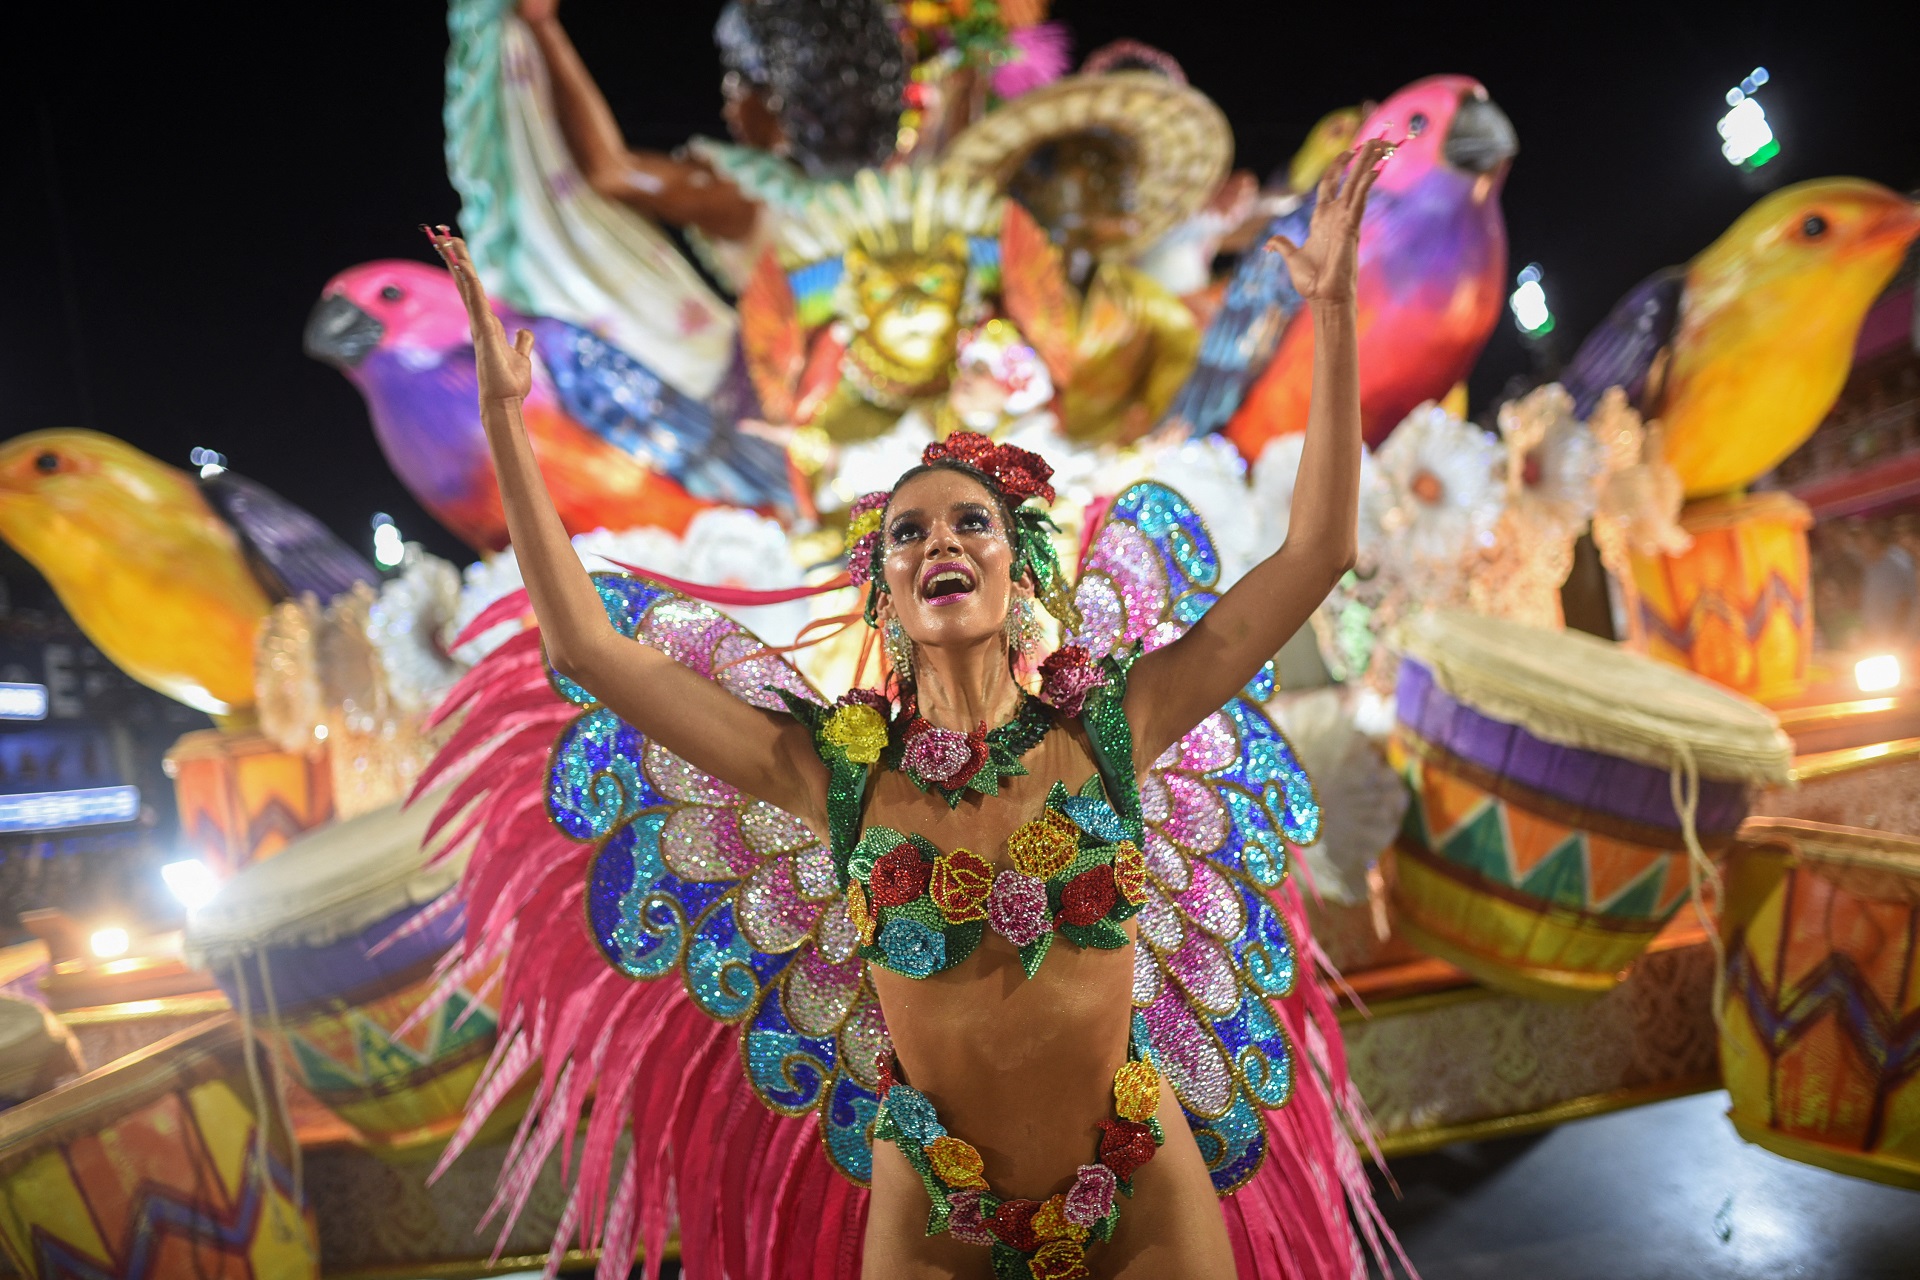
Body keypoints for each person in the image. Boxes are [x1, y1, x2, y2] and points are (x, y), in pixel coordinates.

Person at [429, 133, 1392, 1279]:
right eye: (909, 531)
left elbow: (1322, 545)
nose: (940, 539)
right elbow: (585, 644)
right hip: (938, 1207)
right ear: (886, 589)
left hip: (1136, 1178)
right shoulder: (833, 774)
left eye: (969, 521)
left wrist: (1330, 312)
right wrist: (504, 411)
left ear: (1018, 567)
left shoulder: (1113, 728)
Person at [514, 0, 905, 293]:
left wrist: (543, 26)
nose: (728, 105)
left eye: (736, 80)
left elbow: (612, 171)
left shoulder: (748, 196)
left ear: (778, 94)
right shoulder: (882, 190)